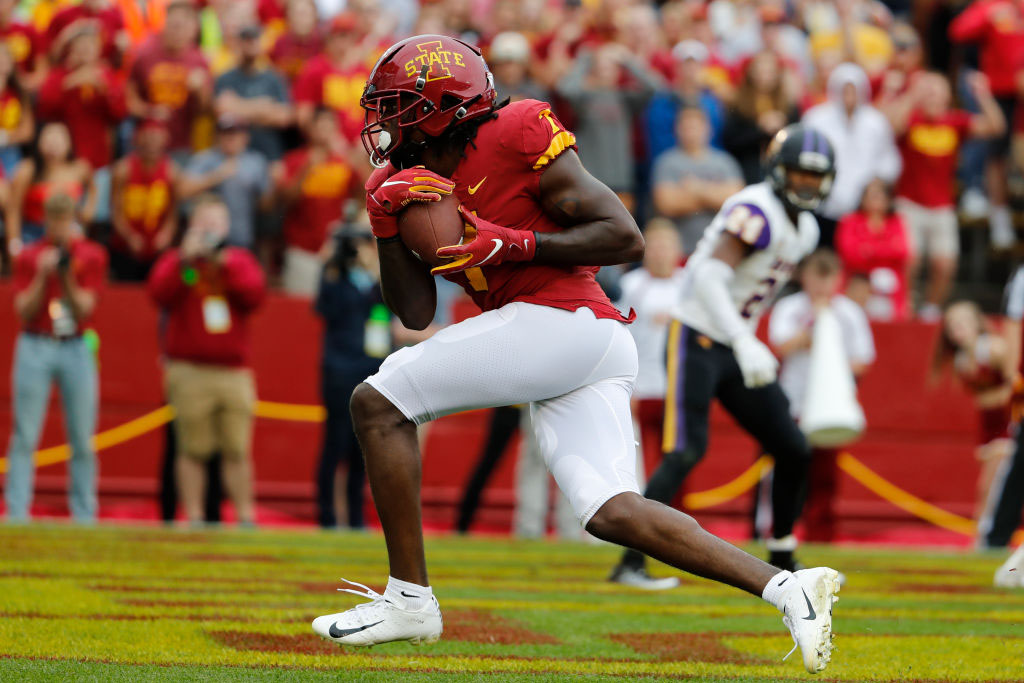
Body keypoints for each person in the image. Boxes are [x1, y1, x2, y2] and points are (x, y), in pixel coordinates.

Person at [310, 36, 840, 675]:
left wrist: (509, 245)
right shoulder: (400, 180)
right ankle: (790, 589)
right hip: (574, 341)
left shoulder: (515, 131)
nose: (383, 124)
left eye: (398, 106)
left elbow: (624, 235)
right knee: (612, 512)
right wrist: (384, 221)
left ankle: (410, 598)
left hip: (565, 320)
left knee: (377, 402)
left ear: (440, 104)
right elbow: (415, 314)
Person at [608, 124, 834, 584]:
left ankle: (784, 556)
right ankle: (629, 561)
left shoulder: (806, 228)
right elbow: (709, 274)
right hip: (698, 333)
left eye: (815, 177)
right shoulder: (757, 208)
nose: (807, 185)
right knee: (686, 451)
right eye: (799, 174)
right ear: (777, 170)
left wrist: (745, 339)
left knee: (793, 447)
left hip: (736, 341)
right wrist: (747, 338)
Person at [147, 194, 266, 526]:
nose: (210, 229)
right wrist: (185, 260)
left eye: (216, 222)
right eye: (204, 222)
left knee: (237, 450)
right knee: (191, 449)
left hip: (233, 371)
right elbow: (158, 293)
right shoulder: (180, 260)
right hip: (189, 369)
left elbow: (255, 295)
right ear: (192, 225)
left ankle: (245, 517)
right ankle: (195, 517)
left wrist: (224, 264)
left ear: (227, 226)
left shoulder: (238, 260)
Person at [5, 193, 107, 523]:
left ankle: (83, 513)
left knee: (82, 435)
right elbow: (23, 310)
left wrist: (65, 276)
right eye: (53, 219)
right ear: (45, 220)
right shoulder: (32, 255)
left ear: (73, 218)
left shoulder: (91, 254)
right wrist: (42, 274)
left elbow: (85, 308)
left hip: (75, 343)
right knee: (24, 433)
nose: (59, 225)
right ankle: (17, 512)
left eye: (64, 218)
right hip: (36, 342)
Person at [768, 248, 875, 543]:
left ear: (839, 279)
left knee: (826, 474)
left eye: (828, 279)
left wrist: (831, 356)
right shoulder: (790, 308)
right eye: (817, 277)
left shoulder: (849, 313)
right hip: (794, 399)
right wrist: (812, 327)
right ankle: (779, 528)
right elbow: (781, 346)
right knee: (788, 465)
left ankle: (821, 533)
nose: (822, 286)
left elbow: (863, 359)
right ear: (805, 276)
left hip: (829, 404)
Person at [882, 71, 1004, 319]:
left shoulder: (954, 123)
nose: (933, 97)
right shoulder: (911, 119)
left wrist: (983, 95)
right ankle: (903, 306)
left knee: (946, 263)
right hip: (908, 202)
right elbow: (890, 125)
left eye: (938, 91)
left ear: (948, 96)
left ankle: (930, 308)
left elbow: (996, 127)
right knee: (908, 260)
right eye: (928, 91)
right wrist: (911, 95)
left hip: (942, 205)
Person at [314, 221, 384, 529]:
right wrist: (329, 263)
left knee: (363, 448)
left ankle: (356, 517)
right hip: (339, 369)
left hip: (369, 366)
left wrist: (375, 272)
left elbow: (391, 304)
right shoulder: (334, 276)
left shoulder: (373, 278)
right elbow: (324, 308)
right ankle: (327, 516)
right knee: (335, 443)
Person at [616, 219, 686, 498]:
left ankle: (681, 525)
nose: (660, 253)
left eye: (666, 246)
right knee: (639, 464)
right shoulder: (630, 286)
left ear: (677, 250)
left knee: (678, 462)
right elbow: (621, 337)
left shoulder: (689, 285)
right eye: (654, 246)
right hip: (641, 389)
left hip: (678, 392)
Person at [931, 300, 1013, 532]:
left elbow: (1013, 382)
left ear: (977, 324)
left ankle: (985, 532)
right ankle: (987, 530)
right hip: (989, 425)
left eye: (962, 324)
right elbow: (980, 398)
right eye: (952, 326)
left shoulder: (993, 349)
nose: (958, 331)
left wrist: (999, 396)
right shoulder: (961, 361)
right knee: (991, 483)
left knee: (989, 484)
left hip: (1008, 423)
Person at [802, 62, 901, 246]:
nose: (849, 96)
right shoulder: (815, 119)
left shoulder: (876, 122)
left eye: (853, 90)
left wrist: (876, 184)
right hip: (823, 205)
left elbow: (889, 160)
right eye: (844, 90)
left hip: (862, 209)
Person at [556, 43, 662, 213]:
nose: (605, 72)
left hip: (621, 182)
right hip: (590, 181)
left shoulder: (625, 99)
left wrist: (628, 62)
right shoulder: (585, 98)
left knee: (621, 234)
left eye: (610, 67)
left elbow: (654, 87)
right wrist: (585, 61)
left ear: (618, 72)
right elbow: (565, 89)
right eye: (601, 67)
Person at [273, 106, 358, 296]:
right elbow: (284, 202)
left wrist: (353, 157)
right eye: (321, 126)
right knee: (300, 311)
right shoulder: (294, 160)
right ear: (310, 129)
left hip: (335, 251)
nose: (325, 132)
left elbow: (365, 194)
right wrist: (306, 170)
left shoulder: (345, 161)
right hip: (301, 250)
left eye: (330, 126)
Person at [651, 105, 744, 254]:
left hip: (718, 250)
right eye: (686, 127)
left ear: (708, 129)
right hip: (680, 252)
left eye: (695, 127)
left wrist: (696, 188)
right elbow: (667, 204)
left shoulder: (725, 162)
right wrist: (715, 195)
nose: (691, 133)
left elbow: (736, 201)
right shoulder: (666, 163)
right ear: (677, 129)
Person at [126, 0, 210, 159]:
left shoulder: (199, 60)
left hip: (181, 145)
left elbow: (205, 110)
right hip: (145, 145)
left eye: (183, 26)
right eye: (174, 25)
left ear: (193, 29)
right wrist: (149, 111)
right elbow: (129, 99)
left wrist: (199, 90)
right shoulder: (145, 54)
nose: (178, 31)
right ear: (165, 23)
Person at [180, 116, 272, 250]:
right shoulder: (205, 159)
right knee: (193, 271)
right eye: (226, 133)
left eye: (235, 132)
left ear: (246, 136)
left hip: (241, 237)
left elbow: (267, 204)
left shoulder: (256, 162)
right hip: (207, 237)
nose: (230, 138)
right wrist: (216, 176)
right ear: (217, 136)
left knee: (238, 268)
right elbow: (182, 191)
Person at [6, 121, 95, 255]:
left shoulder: (80, 168)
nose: (53, 145)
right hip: (33, 234)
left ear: (69, 143)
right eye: (49, 139)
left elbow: (93, 189)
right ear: (39, 142)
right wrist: (14, 244)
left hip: (69, 232)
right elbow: (13, 209)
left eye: (58, 139)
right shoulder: (27, 170)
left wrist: (88, 210)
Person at [108, 118, 179, 282]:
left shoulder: (172, 171)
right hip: (125, 246)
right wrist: (129, 236)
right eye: (148, 139)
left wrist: (167, 233)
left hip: (157, 245)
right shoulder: (122, 170)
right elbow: (116, 211)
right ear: (138, 139)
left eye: (156, 139)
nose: (152, 145)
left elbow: (173, 211)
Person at [834, 178, 911, 322]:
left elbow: (903, 252)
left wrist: (868, 250)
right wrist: (886, 252)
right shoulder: (850, 220)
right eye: (871, 196)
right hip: (857, 281)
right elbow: (850, 254)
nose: (876, 200)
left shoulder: (896, 221)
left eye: (880, 195)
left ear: (888, 200)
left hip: (891, 291)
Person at [214, 23, 293, 162]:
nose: (250, 45)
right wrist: (264, 107)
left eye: (254, 40)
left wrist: (238, 106)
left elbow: (284, 117)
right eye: (245, 40)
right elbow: (222, 111)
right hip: (233, 157)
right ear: (237, 44)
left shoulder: (274, 78)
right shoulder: (225, 78)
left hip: (270, 153)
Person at [722, 49, 800, 185]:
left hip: (781, 173)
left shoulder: (789, 106)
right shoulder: (739, 104)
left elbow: (797, 139)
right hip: (749, 172)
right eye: (760, 71)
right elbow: (731, 141)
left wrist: (782, 127)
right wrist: (760, 129)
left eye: (769, 71)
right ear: (751, 73)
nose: (764, 77)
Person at [0, 41, 34, 178]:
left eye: (5, 57)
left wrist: (5, 138)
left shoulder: (19, 93)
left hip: (10, 152)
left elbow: (27, 132)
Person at [269, 0, 323, 85]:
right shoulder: (279, 43)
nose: (301, 19)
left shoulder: (323, 43)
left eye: (305, 14)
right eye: (297, 14)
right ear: (287, 16)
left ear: (315, 16)